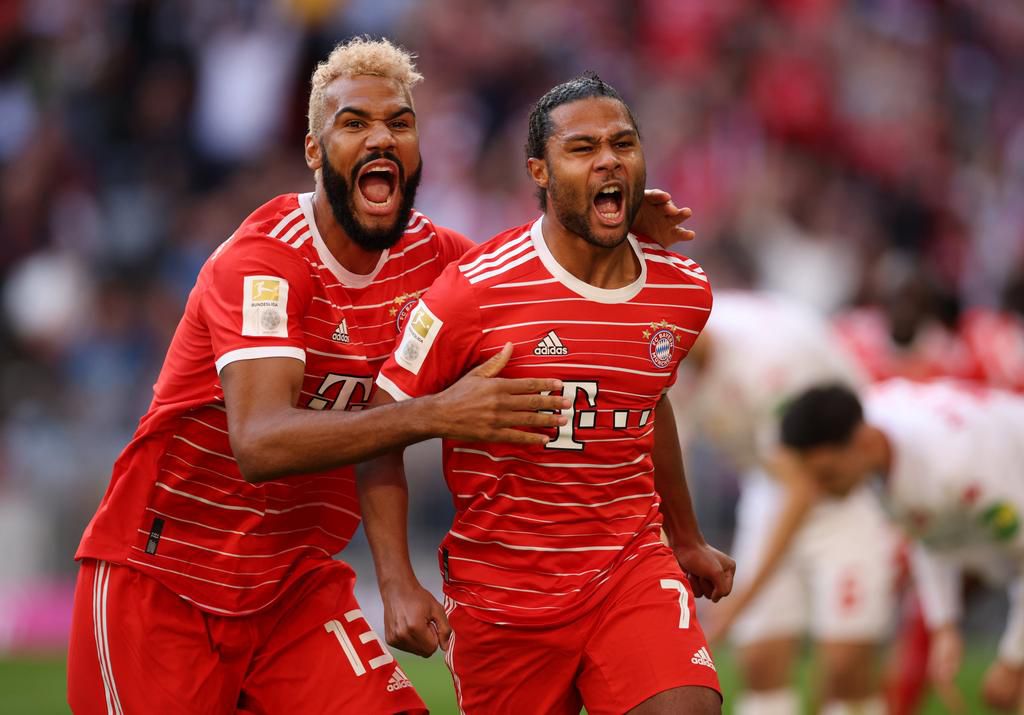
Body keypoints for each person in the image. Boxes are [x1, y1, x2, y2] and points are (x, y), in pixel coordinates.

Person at [65, 37, 607, 715]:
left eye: (399, 123)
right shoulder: (264, 263)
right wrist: (436, 413)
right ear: (315, 151)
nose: (381, 137)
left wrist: (608, 236)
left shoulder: (439, 262)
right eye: (354, 123)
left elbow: (549, 305)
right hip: (164, 580)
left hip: (292, 588)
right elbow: (260, 441)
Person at [357, 73, 734, 715]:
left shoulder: (684, 290)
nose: (609, 159)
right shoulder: (474, 291)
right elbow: (377, 430)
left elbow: (647, 402)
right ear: (540, 170)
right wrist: (394, 582)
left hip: (629, 569)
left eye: (623, 143)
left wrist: (687, 536)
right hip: (504, 599)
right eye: (582, 148)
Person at [675, 291, 896, 715]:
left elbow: (804, 484)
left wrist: (737, 606)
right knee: (760, 660)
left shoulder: (768, 360)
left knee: (844, 666)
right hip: (767, 482)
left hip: (841, 489)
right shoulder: (665, 358)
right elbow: (672, 464)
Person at [781, 379, 1024, 714]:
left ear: (864, 442)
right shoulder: (877, 431)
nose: (819, 491)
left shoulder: (958, 469)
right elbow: (927, 531)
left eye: (827, 474)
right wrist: (945, 625)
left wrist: (1013, 659)